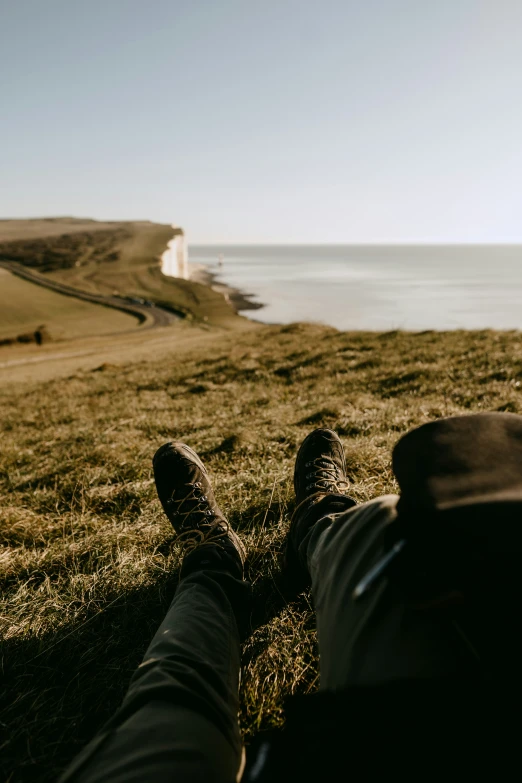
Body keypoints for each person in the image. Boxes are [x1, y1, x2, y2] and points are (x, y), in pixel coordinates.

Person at [59, 413, 522, 782]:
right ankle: (318, 517)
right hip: (466, 710)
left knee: (168, 698)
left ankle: (214, 562)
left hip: (406, 744)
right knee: (380, 526)